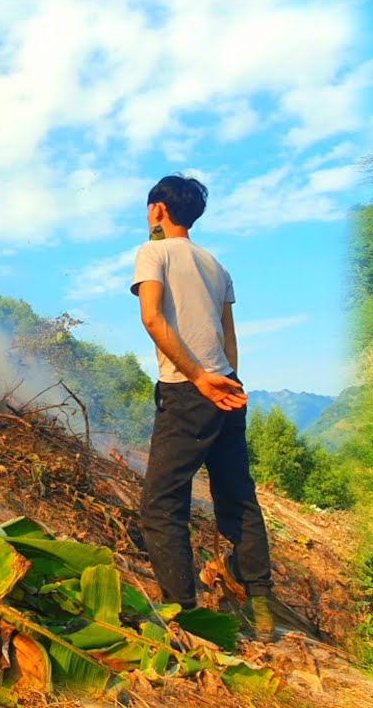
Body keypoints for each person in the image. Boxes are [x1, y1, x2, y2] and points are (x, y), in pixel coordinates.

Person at [130, 175, 276, 642]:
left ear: (157, 210)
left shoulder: (153, 253)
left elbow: (152, 317)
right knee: (237, 496)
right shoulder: (217, 266)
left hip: (188, 390)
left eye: (150, 210)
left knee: (161, 503)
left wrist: (197, 379)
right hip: (227, 386)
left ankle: (183, 613)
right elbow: (228, 337)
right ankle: (261, 605)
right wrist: (226, 382)